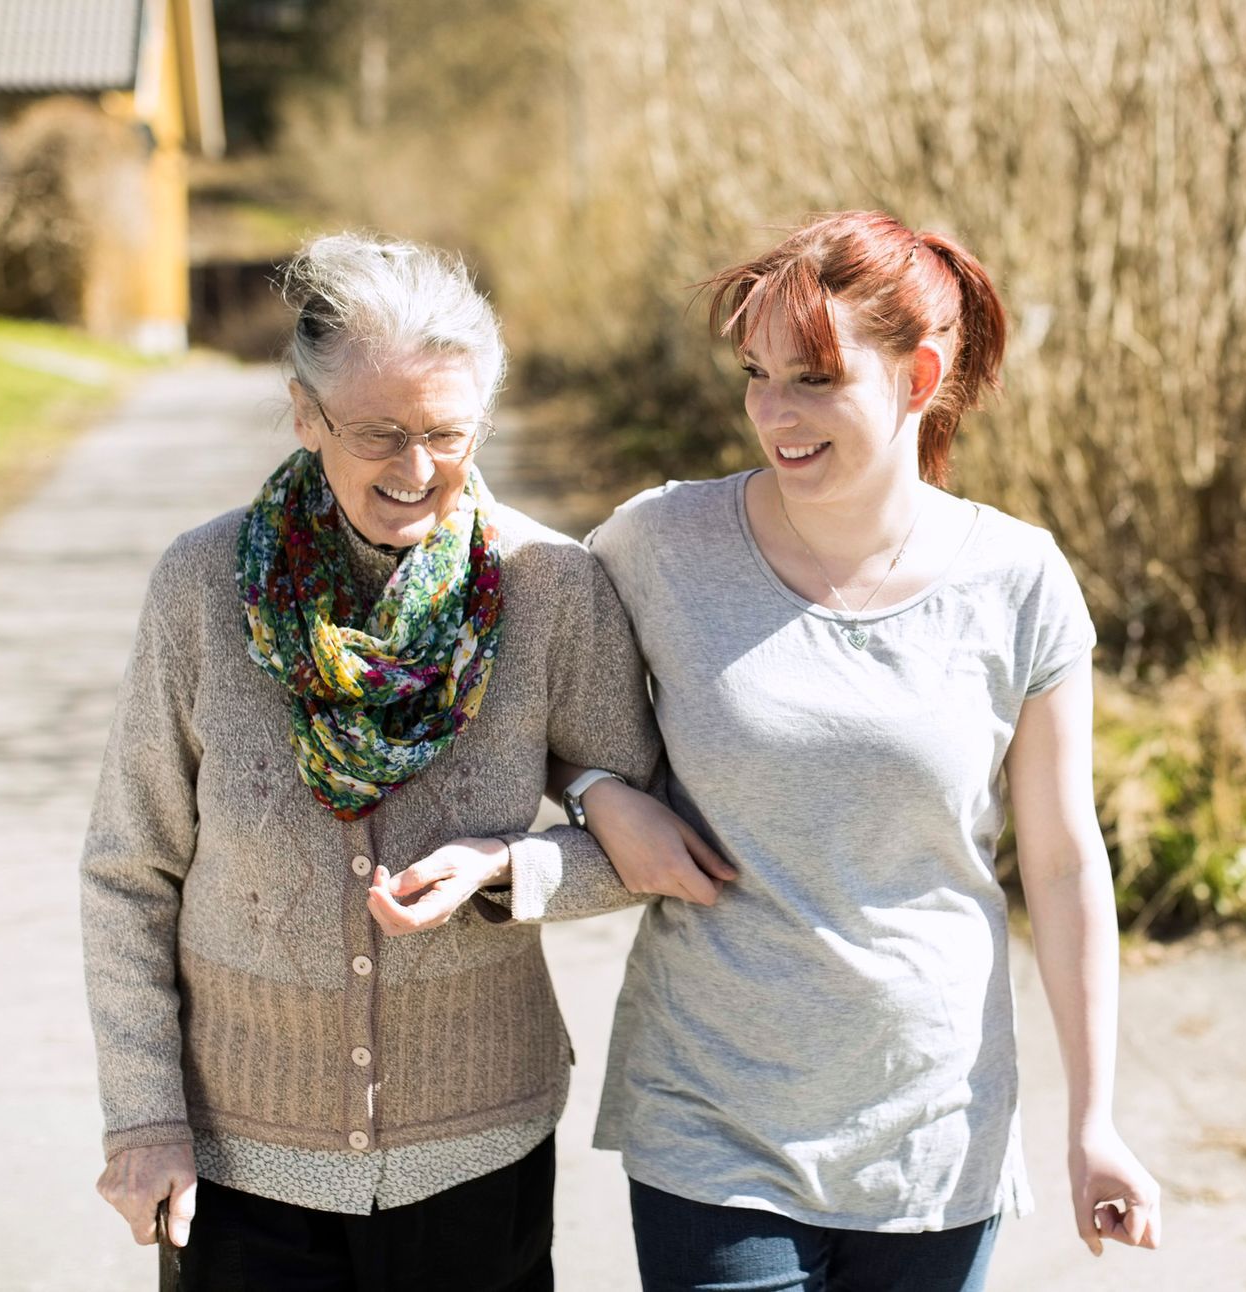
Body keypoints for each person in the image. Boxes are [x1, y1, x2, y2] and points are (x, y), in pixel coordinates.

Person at [80, 232, 722, 1290]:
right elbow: (128, 867)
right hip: (241, 1161)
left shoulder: (549, 586)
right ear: (304, 413)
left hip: (477, 1151)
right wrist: (144, 1114)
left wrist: (510, 869)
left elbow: (646, 829)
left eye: (446, 432)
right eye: (379, 431)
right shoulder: (200, 585)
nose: (416, 470)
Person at [573, 211, 1162, 1290]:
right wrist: (600, 789)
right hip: (712, 1114)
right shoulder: (660, 544)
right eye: (756, 372)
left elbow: (1068, 861)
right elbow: (535, 682)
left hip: (935, 1125)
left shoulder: (1019, 579)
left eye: (813, 378)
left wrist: (1095, 1120)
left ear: (920, 373)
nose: (772, 413)